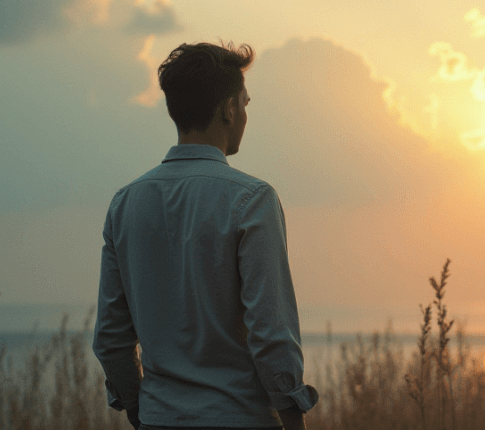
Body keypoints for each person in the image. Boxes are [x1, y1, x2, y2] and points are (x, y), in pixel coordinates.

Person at [93, 41, 317, 430]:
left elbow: (112, 338)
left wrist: (138, 408)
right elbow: (271, 334)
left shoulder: (125, 203)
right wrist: (293, 419)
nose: (246, 114)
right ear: (229, 108)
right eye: (245, 103)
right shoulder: (252, 200)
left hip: (158, 419)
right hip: (239, 418)